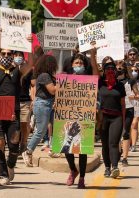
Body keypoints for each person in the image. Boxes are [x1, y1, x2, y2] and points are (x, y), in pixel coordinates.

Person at [0, 47, 32, 186]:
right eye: (3, 53)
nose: (6, 55)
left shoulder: (18, 70)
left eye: (9, 54)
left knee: (14, 144)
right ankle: (3, 175)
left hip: (13, 113)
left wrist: (29, 47)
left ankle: (11, 165)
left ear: (13, 55)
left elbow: (30, 64)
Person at [62, 49, 98, 189]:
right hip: (69, 116)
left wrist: (93, 55)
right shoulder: (66, 78)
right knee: (67, 147)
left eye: (81, 63)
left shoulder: (90, 78)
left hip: (85, 116)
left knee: (82, 149)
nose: (78, 64)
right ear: (71, 65)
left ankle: (82, 177)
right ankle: (73, 169)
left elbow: (96, 78)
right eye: (76, 62)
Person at [22, 55, 57, 166]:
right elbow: (52, 90)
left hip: (49, 104)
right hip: (43, 104)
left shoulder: (48, 76)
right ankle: (28, 151)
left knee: (56, 128)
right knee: (41, 131)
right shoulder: (44, 76)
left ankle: (53, 149)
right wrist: (67, 83)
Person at [98, 57, 126, 178]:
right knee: (105, 144)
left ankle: (115, 167)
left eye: (112, 68)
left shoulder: (120, 86)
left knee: (113, 143)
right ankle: (107, 167)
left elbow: (123, 105)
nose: (110, 70)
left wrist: (124, 122)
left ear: (115, 71)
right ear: (103, 70)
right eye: (107, 68)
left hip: (117, 118)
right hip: (103, 117)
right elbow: (94, 69)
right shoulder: (99, 83)